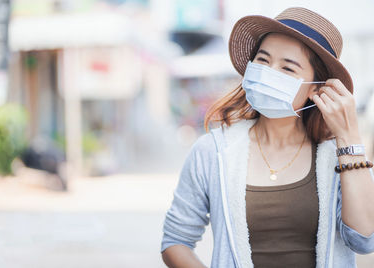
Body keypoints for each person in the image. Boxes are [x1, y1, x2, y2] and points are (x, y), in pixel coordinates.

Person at [160, 7, 374, 268]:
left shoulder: (337, 155)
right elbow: (175, 241)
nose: (270, 72)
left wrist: (349, 137)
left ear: (316, 88)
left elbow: (364, 240)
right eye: (263, 60)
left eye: (287, 67)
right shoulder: (212, 151)